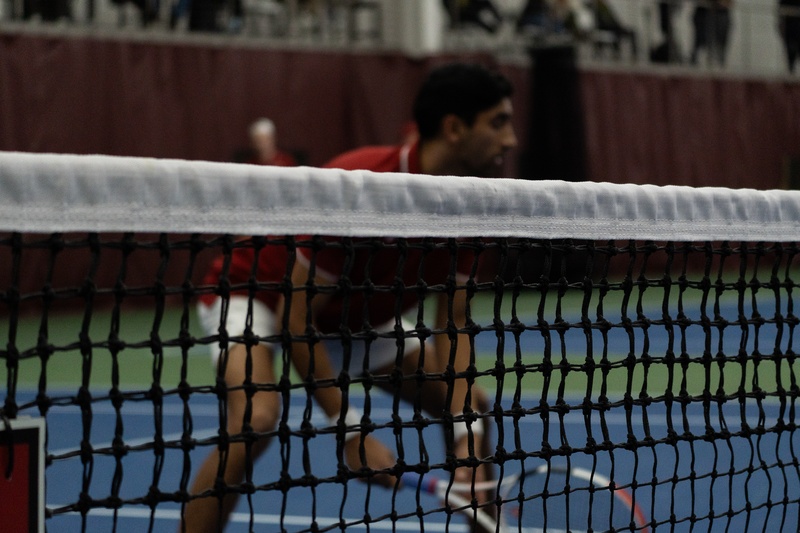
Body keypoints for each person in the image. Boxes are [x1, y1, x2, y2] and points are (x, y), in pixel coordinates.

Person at [181, 62, 517, 533]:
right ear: (455, 128)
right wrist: (350, 431)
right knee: (256, 418)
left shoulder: (477, 206)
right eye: (498, 123)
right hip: (259, 293)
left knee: (471, 408)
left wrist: (467, 438)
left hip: (355, 313)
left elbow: (453, 322)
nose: (511, 140)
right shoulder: (362, 186)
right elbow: (295, 319)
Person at [690, 0, 733, 67]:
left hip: (721, 11)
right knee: (700, 40)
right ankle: (696, 59)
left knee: (719, 43)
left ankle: (718, 61)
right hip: (703, 11)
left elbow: (728, 3)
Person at [780, 0, 800, 73]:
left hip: (795, 28)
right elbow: (781, 11)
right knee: (791, 53)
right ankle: (791, 72)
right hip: (790, 30)